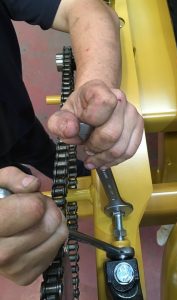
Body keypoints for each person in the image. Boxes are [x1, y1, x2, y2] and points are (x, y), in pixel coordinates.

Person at [0, 0, 144, 285]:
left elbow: (83, 7)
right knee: (21, 210)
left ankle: (69, 170)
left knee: (43, 154)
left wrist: (96, 86)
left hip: (16, 121)